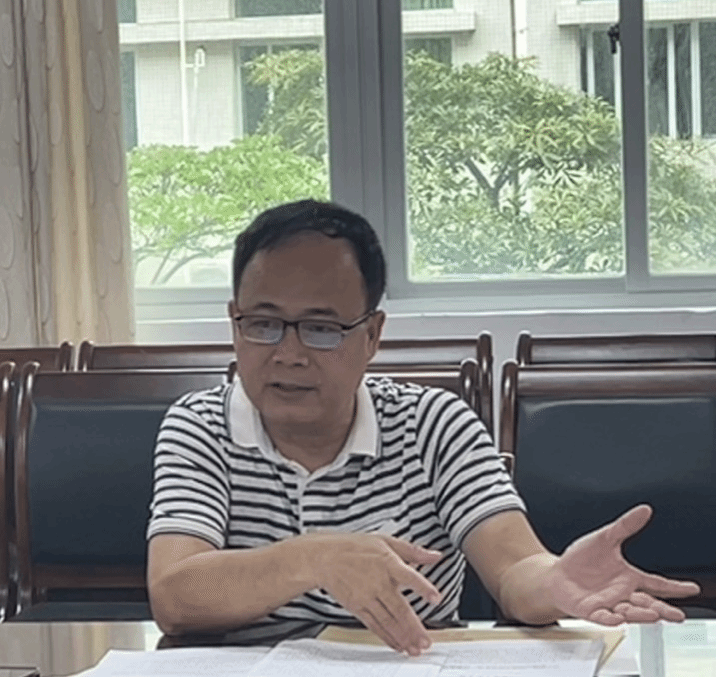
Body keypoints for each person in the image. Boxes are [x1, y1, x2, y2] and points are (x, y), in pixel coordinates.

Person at [146, 199, 700, 656]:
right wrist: (315, 558)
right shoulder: (201, 426)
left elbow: (514, 568)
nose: (289, 354)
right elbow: (174, 595)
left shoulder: (434, 424)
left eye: (321, 328)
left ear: (372, 335)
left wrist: (554, 584)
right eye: (264, 324)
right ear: (234, 322)